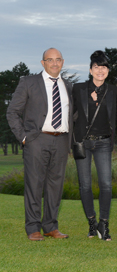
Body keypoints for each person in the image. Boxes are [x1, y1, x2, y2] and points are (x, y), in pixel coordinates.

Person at [6, 48, 73, 241]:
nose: (54, 63)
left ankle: (50, 226)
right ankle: (33, 228)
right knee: (34, 185)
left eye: (58, 60)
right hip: (37, 140)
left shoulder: (68, 85)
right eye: (50, 60)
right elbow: (12, 112)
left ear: (62, 62)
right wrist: (24, 137)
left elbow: (72, 114)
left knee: (55, 186)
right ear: (42, 63)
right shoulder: (28, 82)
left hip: (61, 141)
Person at [72, 50, 117, 241]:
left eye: (104, 67)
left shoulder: (113, 90)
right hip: (83, 142)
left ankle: (104, 225)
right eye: (97, 67)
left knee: (106, 185)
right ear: (90, 70)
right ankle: (92, 224)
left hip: (103, 143)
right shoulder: (78, 89)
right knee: (85, 185)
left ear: (108, 71)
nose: (100, 71)